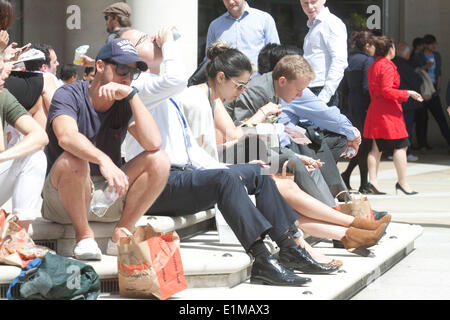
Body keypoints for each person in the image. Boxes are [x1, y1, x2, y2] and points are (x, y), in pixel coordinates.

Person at [121, 28, 340, 284]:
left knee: (258, 174)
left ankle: (290, 247)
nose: (152, 39)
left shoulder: (164, 95)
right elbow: (178, 80)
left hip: (179, 177)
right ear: (128, 54)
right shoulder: (137, 87)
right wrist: (168, 43)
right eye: (143, 39)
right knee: (229, 179)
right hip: (155, 184)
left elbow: (192, 151)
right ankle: (261, 257)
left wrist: (231, 168)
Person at [186, 45, 389, 258]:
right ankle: (348, 227)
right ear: (221, 77)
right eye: (240, 85)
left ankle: (349, 231)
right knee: (284, 176)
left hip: (235, 158)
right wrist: (262, 115)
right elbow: (234, 137)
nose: (243, 90)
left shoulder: (214, 99)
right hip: (227, 163)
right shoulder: (202, 99)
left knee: (288, 181)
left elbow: (230, 139)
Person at [41, 38, 171, 261]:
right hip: (63, 196)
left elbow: (153, 143)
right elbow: (66, 136)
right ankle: (84, 237)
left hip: (105, 195)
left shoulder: (123, 102)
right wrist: (104, 160)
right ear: (100, 66)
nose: (127, 77)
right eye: (122, 68)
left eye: (133, 72)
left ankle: (121, 233)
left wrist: (133, 96)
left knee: (159, 160)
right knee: (75, 158)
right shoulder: (69, 94)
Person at [363, 36, 423, 195]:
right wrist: (408, 93)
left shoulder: (374, 65)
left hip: (376, 109)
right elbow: (387, 91)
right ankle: (403, 183)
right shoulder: (388, 66)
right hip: (389, 112)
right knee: (401, 146)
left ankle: (373, 182)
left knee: (376, 149)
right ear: (391, 49)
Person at [0, 54, 49, 233]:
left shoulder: (3, 95)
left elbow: (40, 136)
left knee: (35, 155)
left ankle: (19, 236)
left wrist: (3, 157)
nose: (4, 77)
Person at [340, 31, 376, 194]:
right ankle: (363, 183)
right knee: (365, 145)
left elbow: (344, 87)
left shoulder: (349, 60)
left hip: (351, 104)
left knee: (359, 143)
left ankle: (347, 175)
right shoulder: (368, 60)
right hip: (364, 105)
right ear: (367, 45)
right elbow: (367, 87)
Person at [205, 0, 280, 69]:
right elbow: (209, 59)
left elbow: (275, 54)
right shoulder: (215, 26)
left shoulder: (264, 19)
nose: (231, 2)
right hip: (226, 81)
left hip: (257, 80)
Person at [299, 0, 348, 106]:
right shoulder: (314, 26)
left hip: (322, 91)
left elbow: (340, 61)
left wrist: (324, 96)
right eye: (305, 3)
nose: (309, 7)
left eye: (313, 2)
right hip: (310, 89)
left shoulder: (331, 23)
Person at [410, 34, 450, 153]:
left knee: (440, 118)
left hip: (433, 91)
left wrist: (438, 86)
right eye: (432, 44)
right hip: (422, 91)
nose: (434, 46)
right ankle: (423, 144)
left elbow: (439, 72)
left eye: (435, 44)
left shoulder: (437, 56)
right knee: (422, 119)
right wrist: (425, 66)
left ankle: (448, 141)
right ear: (426, 45)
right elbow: (413, 71)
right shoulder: (418, 56)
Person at [393, 41, 423, 162]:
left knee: (395, 128)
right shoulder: (404, 65)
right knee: (406, 129)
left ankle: (392, 152)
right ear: (406, 53)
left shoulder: (392, 64)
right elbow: (415, 81)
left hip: (395, 100)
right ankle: (406, 152)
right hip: (406, 102)